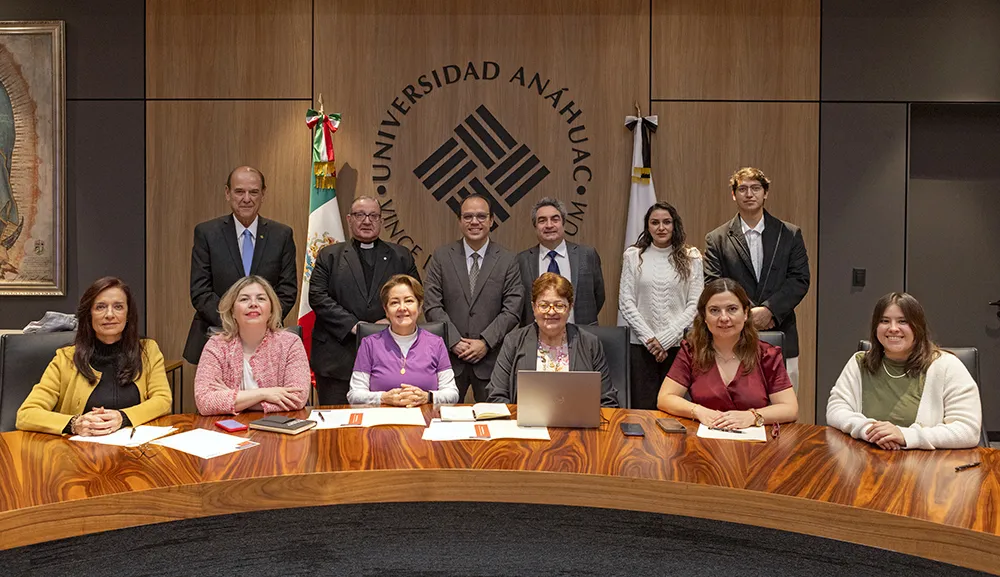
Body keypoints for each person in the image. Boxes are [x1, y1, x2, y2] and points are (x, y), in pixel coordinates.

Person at [16, 277, 172, 435]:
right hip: (79, 452)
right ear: (89, 315)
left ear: (128, 314)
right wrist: (75, 424)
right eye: (100, 307)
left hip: (134, 450)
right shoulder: (65, 358)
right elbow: (26, 414)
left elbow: (163, 400)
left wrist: (123, 417)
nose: (109, 314)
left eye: (118, 307)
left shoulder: (148, 351)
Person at [827, 292, 982, 450]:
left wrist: (905, 436)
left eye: (903, 321)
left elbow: (967, 430)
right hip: (868, 463)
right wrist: (867, 430)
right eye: (884, 321)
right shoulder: (860, 362)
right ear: (875, 327)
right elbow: (836, 409)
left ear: (918, 327)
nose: (893, 328)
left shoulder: (947, 366)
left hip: (927, 468)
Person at [704, 167, 810, 390]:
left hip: (782, 332)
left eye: (755, 188)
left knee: (783, 412)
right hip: (733, 338)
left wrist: (769, 310)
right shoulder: (717, 238)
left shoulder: (789, 234)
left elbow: (799, 279)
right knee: (735, 408)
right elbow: (714, 283)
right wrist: (747, 315)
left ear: (765, 193)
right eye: (742, 189)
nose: (749, 194)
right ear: (734, 195)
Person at [309, 196, 420, 405]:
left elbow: (415, 296)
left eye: (373, 216)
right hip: (337, 358)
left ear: (381, 220)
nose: (367, 221)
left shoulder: (401, 256)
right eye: (360, 215)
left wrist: (391, 321)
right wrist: (354, 325)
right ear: (349, 219)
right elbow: (317, 296)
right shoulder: (329, 255)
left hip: (388, 357)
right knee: (335, 430)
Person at [183, 166, 298, 364]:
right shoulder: (207, 233)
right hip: (216, 336)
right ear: (227, 193)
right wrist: (233, 323)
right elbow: (200, 291)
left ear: (263, 194)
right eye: (239, 191)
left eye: (253, 192)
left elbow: (287, 290)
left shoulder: (281, 235)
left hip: (266, 341)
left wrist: (258, 324)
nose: (247, 198)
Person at [657, 278, 798, 428]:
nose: (724, 318)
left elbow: (790, 408)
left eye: (732, 309)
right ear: (704, 317)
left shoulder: (767, 355)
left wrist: (752, 416)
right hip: (702, 443)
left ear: (745, 313)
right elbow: (665, 398)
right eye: (714, 310)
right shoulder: (692, 351)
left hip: (755, 445)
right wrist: (698, 411)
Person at [424, 194, 524, 402]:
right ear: (460, 221)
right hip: (449, 360)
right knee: (443, 424)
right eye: (468, 216)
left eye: (481, 216)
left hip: (491, 359)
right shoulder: (442, 257)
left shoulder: (508, 260)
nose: (474, 222)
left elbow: (513, 309)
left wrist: (485, 342)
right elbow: (432, 303)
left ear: (491, 220)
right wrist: (454, 341)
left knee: (494, 422)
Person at [618, 201, 703, 410]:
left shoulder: (692, 257)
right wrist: (651, 340)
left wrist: (665, 340)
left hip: (679, 348)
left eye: (666, 222)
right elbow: (626, 302)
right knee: (642, 410)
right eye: (655, 222)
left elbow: (696, 304)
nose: (661, 227)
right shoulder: (634, 256)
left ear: (675, 225)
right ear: (647, 226)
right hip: (641, 348)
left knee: (675, 410)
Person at [488, 273, 619, 407]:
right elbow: (496, 395)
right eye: (544, 305)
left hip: (579, 426)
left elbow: (607, 401)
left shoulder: (590, 343)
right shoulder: (513, 342)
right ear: (533, 307)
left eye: (559, 305)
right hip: (525, 426)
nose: (551, 312)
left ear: (570, 308)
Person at [194, 276, 310, 415]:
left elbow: (297, 398)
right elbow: (204, 401)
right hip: (228, 432)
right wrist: (265, 394)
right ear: (232, 311)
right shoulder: (216, 346)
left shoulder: (290, 343)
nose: (253, 304)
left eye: (261, 298)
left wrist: (232, 398)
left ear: (271, 310)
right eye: (244, 299)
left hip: (278, 430)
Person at [348, 275, 459, 406]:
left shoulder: (436, 343)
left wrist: (427, 396)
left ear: (419, 306)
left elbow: (452, 393)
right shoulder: (369, 344)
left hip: (427, 421)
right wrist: (384, 397)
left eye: (409, 301)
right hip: (381, 421)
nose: (402, 308)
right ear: (386, 310)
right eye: (394, 302)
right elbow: (354, 394)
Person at [516, 197, 605, 326]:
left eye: (555, 219)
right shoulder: (522, 260)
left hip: (581, 335)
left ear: (563, 223)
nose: (549, 225)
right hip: (537, 338)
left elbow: (599, 295)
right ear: (535, 227)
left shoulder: (587, 255)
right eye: (542, 220)